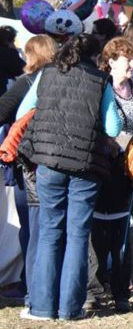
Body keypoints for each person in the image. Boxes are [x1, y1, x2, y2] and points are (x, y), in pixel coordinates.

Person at [16, 34, 122, 320]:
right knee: (77, 236)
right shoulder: (101, 81)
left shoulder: (47, 74)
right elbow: (113, 127)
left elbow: (23, 110)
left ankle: (41, 306)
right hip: (85, 166)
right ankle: (70, 308)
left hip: (48, 162)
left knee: (50, 232)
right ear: (95, 55)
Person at [91, 37, 133, 313]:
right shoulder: (100, 88)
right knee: (100, 233)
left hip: (131, 170)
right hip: (104, 168)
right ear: (112, 61)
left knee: (123, 233)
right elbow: (94, 128)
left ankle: (121, 291)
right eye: (129, 59)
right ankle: (97, 286)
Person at [0, 35, 57, 304]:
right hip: (60, 159)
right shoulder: (62, 80)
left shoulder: (26, 83)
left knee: (30, 224)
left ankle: (30, 284)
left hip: (29, 161)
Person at [0, 25, 25, 96]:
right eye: (13, 41)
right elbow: (21, 69)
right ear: (7, 41)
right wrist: (14, 51)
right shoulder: (7, 53)